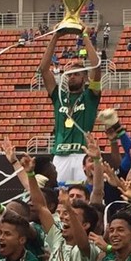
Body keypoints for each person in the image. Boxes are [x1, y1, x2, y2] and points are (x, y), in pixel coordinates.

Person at [40, 29, 101, 185]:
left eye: (77, 73)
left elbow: (96, 67)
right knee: (59, 194)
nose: (72, 76)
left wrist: (85, 36)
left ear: (85, 77)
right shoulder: (59, 96)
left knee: (83, 195)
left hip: (82, 154)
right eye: (70, 74)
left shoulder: (90, 95)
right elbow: (43, 70)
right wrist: (56, 36)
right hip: (60, 154)